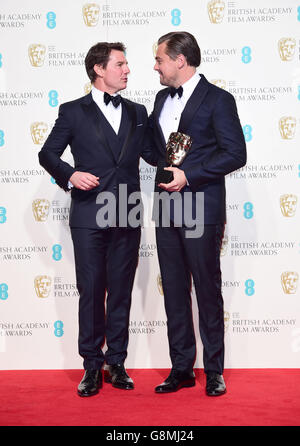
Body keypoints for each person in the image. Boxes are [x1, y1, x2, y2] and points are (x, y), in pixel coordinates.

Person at [39, 42, 156, 397]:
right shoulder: (73, 111)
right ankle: (91, 365)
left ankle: (115, 363)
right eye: (120, 64)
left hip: (127, 211)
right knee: (91, 291)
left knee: (120, 291)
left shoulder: (138, 111)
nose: (127, 70)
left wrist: (188, 158)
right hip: (89, 212)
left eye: (126, 64)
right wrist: (71, 175)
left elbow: (152, 154)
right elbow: (47, 153)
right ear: (98, 70)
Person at [149, 32, 246, 396]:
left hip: (201, 207)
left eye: (159, 59)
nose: (155, 66)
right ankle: (181, 369)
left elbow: (235, 154)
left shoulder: (219, 99)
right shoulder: (160, 98)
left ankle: (215, 370)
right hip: (166, 207)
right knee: (174, 291)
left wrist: (189, 175)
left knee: (207, 288)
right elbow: (156, 148)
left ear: (179, 60)